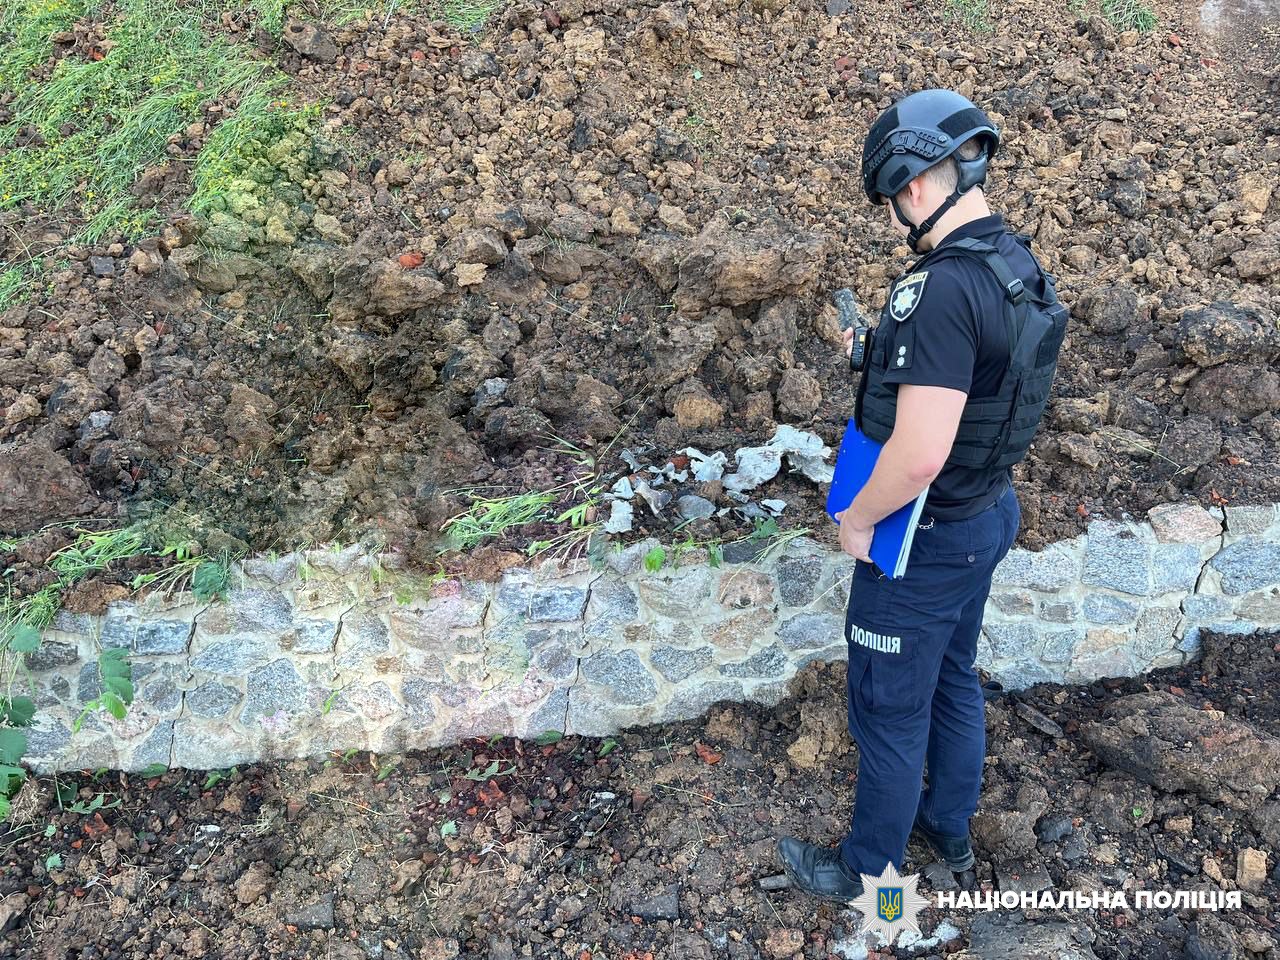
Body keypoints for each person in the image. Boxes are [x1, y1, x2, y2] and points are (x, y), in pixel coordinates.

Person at [775, 89, 1068, 902]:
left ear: (910, 185)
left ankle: (869, 876)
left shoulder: (938, 290)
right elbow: (982, 376)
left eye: (888, 199)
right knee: (953, 679)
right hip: (986, 515)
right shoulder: (1011, 262)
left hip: (923, 535)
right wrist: (877, 351)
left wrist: (857, 519)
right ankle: (950, 827)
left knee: (888, 714)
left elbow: (919, 453)